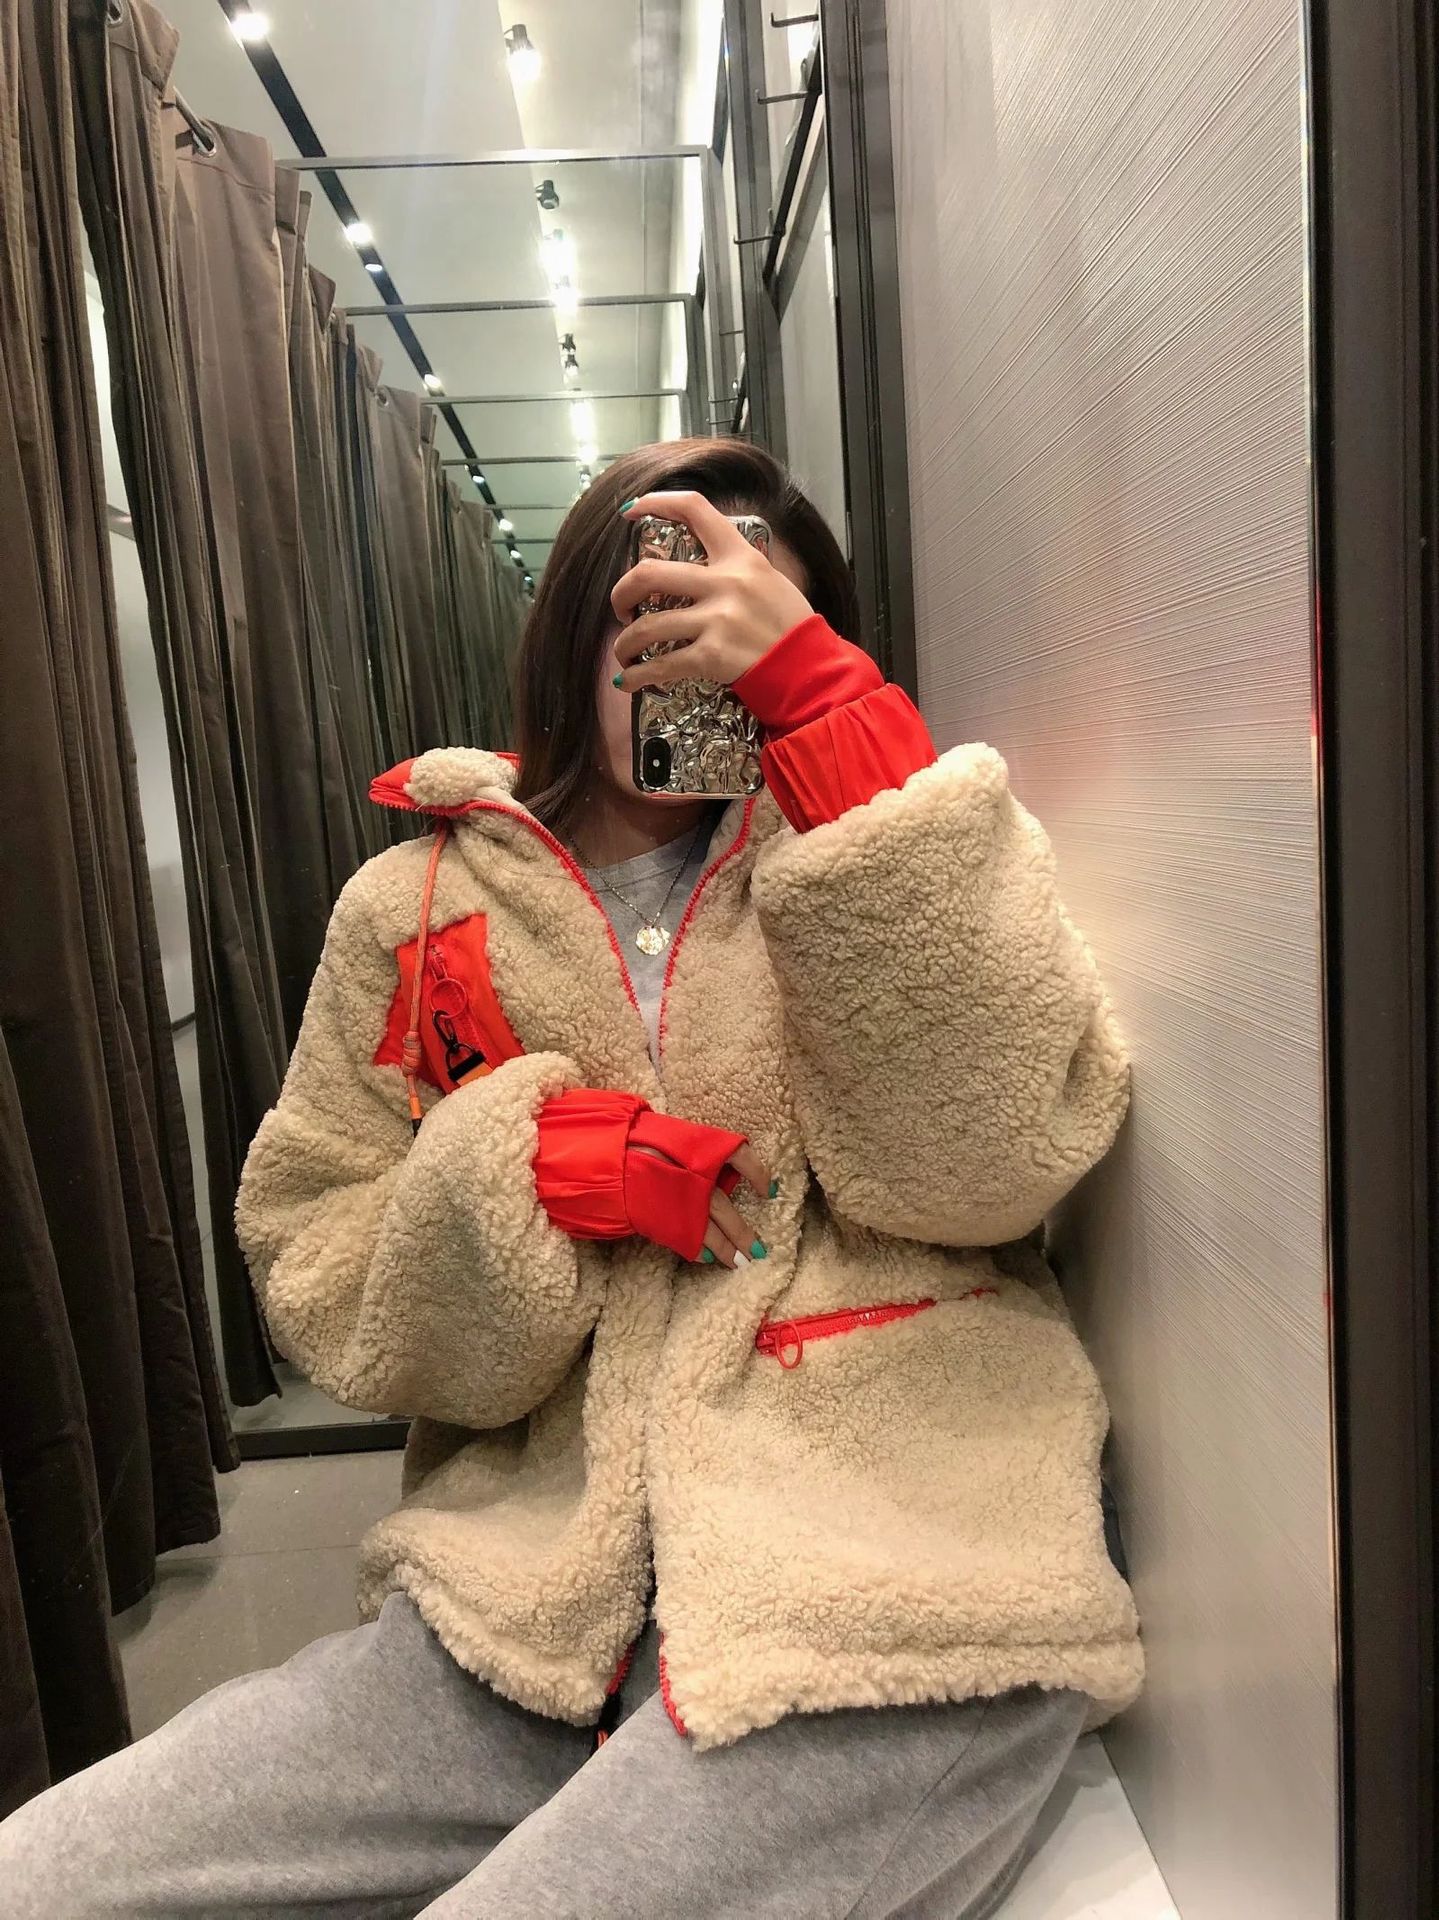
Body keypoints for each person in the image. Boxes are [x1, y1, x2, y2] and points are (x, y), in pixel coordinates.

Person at [0, 438, 1141, 1917]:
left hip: (888, 1572)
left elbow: (987, 1170)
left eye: (748, 623)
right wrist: (520, 1176)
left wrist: (834, 740)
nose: (693, 657)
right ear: (574, 634)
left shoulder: (897, 843)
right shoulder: (418, 903)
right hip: (529, 1602)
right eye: (654, 614)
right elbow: (317, 1267)